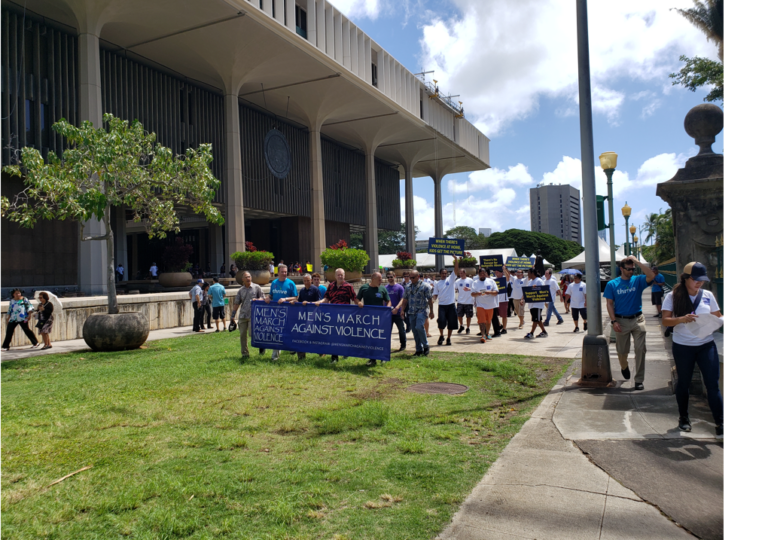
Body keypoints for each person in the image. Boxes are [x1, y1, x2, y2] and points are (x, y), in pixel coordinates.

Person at [661, 262, 723, 436]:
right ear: (686, 278)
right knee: (684, 383)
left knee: (712, 384)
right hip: (683, 346)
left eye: (702, 280)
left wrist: (717, 321)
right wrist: (681, 319)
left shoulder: (708, 295)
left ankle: (720, 424)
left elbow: (719, 316)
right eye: (696, 280)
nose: (699, 283)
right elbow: (666, 320)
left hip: (706, 344)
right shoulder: (673, 296)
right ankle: (684, 418)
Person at [604, 255, 656, 391]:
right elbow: (609, 304)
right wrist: (613, 321)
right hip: (621, 321)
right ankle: (624, 366)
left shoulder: (638, 280)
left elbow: (651, 275)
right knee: (622, 351)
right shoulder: (612, 284)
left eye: (633, 269)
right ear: (621, 269)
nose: (631, 271)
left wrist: (637, 261)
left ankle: (639, 379)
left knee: (640, 349)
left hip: (638, 319)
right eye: (628, 269)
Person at [316, 268, 362, 362]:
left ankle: (346, 351)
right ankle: (334, 357)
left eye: (341, 275)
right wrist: (319, 302)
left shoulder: (348, 286)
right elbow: (326, 298)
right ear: (335, 276)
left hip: (344, 316)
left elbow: (354, 298)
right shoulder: (331, 286)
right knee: (334, 336)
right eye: (338, 275)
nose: (340, 276)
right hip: (333, 315)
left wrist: (360, 303)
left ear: (344, 276)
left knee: (344, 335)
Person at [357, 272, 392, 366]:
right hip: (367, 318)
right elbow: (357, 299)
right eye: (379, 279)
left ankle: (383, 357)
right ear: (373, 279)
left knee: (381, 338)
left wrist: (387, 309)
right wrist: (359, 303)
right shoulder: (364, 288)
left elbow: (388, 301)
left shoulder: (382, 289)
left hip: (380, 318)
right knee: (370, 338)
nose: (381, 281)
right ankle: (372, 359)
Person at [266, 264, 299, 361]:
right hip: (276, 313)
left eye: (285, 272)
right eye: (282, 272)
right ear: (278, 272)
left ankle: (291, 348)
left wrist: (285, 299)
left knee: (288, 332)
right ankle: (275, 355)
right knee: (276, 332)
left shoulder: (291, 283)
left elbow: (296, 297)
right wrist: (268, 297)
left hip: (288, 312)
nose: (284, 274)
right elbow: (271, 295)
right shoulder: (274, 283)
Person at [231, 271, 266, 359]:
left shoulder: (256, 287)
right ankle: (245, 354)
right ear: (242, 279)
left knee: (252, 334)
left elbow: (264, 298)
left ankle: (261, 346)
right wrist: (233, 315)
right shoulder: (241, 290)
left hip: (253, 315)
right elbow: (236, 303)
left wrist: (257, 299)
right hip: (243, 316)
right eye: (246, 277)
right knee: (243, 335)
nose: (248, 278)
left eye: (249, 276)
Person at [401, 270, 434, 356]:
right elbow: (405, 300)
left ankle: (426, 345)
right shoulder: (408, 287)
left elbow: (430, 299)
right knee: (415, 331)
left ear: (418, 277)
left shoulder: (425, 286)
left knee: (419, 326)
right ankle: (418, 349)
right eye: (409, 277)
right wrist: (402, 310)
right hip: (411, 311)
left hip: (422, 310)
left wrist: (431, 311)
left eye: (412, 277)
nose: (411, 279)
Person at [291, 274, 322, 359]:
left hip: (314, 316)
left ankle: (321, 353)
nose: (306, 282)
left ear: (311, 280)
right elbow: (300, 301)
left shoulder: (316, 290)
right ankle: (301, 356)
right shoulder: (302, 291)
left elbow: (319, 302)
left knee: (314, 336)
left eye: (308, 280)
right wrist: (295, 301)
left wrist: (309, 303)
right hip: (303, 316)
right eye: (304, 280)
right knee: (301, 335)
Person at [433, 256, 461, 346]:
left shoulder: (451, 279)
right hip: (442, 305)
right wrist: (432, 301)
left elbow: (456, 269)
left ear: (447, 274)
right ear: (440, 274)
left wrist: (456, 259)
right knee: (441, 321)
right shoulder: (437, 283)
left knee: (451, 322)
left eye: (445, 273)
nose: (444, 275)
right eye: (442, 273)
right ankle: (441, 335)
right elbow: (435, 295)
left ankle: (449, 338)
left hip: (451, 304)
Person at [471, 267, 498, 343]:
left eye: (484, 273)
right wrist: (477, 293)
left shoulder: (491, 281)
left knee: (488, 321)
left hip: (490, 304)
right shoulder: (475, 282)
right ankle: (483, 335)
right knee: (481, 321)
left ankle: (487, 333)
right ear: (478, 274)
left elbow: (496, 292)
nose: (482, 275)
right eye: (481, 274)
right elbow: (472, 294)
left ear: (486, 274)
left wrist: (490, 292)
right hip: (480, 304)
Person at [521, 267, 547, 339]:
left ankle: (531, 333)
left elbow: (543, 290)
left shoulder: (539, 281)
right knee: (538, 319)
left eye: (528, 273)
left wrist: (536, 287)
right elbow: (527, 291)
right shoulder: (530, 282)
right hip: (531, 304)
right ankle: (544, 332)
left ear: (532, 273)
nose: (527, 274)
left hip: (538, 304)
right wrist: (522, 299)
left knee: (536, 319)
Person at [385, 271, 407, 352]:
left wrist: (397, 308)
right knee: (387, 331)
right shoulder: (385, 288)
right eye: (388, 277)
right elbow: (384, 300)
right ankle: (386, 346)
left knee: (401, 330)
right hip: (388, 314)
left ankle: (403, 345)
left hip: (397, 313)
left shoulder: (399, 287)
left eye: (391, 277)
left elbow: (402, 299)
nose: (389, 278)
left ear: (395, 276)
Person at [455, 268, 475, 335]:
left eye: (462, 273)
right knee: (459, 315)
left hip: (469, 301)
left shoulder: (470, 280)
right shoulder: (457, 281)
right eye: (460, 273)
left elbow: (474, 289)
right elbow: (454, 288)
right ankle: (461, 326)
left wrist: (469, 289)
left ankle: (468, 327)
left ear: (465, 273)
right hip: (460, 301)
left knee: (468, 316)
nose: (461, 274)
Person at [494, 267, 510, 334]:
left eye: (497, 272)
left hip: (503, 299)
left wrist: (504, 269)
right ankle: (500, 325)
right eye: (495, 272)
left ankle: (504, 328)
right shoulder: (494, 279)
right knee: (494, 315)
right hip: (496, 300)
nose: (496, 273)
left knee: (504, 315)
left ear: (501, 273)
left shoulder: (504, 279)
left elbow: (508, 276)